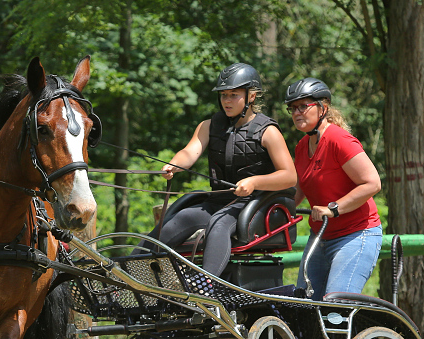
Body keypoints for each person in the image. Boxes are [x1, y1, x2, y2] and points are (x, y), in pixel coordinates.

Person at [149, 62, 297, 279]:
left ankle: (206, 285)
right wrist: (174, 164)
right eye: (223, 95)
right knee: (180, 218)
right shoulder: (209, 125)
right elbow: (190, 153)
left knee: (217, 225)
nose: (227, 101)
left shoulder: (268, 131)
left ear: (251, 96)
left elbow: (289, 176)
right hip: (218, 200)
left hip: (252, 205)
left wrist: (255, 182)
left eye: (234, 95)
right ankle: (128, 275)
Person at [284, 77, 382, 301]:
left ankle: (357, 334)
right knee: (304, 305)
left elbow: (372, 183)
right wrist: (275, 211)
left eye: (302, 106)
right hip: (320, 236)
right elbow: (298, 191)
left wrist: (333, 208)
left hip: (357, 234)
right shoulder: (302, 146)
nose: (296, 113)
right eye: (292, 108)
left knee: (335, 307)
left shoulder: (339, 140)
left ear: (322, 108)